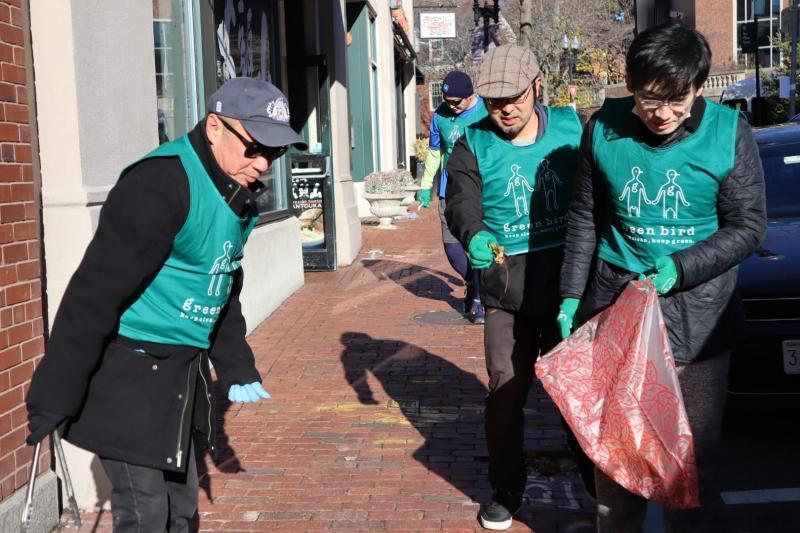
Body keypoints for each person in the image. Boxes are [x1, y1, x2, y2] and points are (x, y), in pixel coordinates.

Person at [24, 77, 307, 532]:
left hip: (181, 373)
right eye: (255, 148)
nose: (263, 164)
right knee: (146, 513)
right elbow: (95, 292)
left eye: (274, 153)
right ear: (215, 127)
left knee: (182, 507)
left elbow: (221, 282)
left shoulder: (237, 196)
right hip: (130, 368)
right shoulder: (160, 184)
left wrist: (235, 364)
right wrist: (54, 393)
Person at [557, 23, 766, 532]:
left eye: (677, 100)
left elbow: (748, 226)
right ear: (630, 84)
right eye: (650, 98)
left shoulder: (728, 132)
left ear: (698, 89)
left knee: (690, 464)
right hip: (617, 308)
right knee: (616, 457)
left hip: (699, 317)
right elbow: (586, 216)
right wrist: (569, 297)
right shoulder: (602, 128)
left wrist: (682, 266)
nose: (662, 113)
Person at [444, 45, 583, 530]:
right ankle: (507, 489)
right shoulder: (472, 142)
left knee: (578, 392)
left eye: (515, 97)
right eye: (495, 98)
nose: (506, 108)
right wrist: (474, 233)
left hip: (569, 279)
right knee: (506, 393)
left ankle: (593, 477)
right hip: (507, 286)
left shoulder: (572, 127)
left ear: (536, 87)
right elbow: (461, 201)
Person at [419, 70, 489, 323]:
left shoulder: (487, 112)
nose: (451, 106)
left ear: (470, 96)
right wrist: (426, 186)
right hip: (449, 191)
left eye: (456, 102)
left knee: (479, 246)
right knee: (452, 248)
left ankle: (480, 300)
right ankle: (473, 282)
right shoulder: (440, 117)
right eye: (447, 101)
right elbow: (435, 152)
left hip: (482, 189)